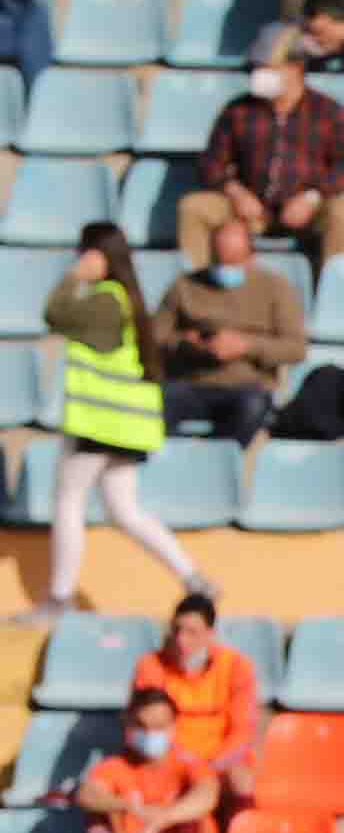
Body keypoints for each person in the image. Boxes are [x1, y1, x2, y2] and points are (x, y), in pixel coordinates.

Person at [37, 225, 210, 617]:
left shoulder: (105, 302)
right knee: (125, 511)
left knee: (68, 503)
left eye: (84, 254)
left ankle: (59, 598)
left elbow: (54, 314)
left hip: (98, 422)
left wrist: (72, 279)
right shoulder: (128, 301)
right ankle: (192, 576)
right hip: (125, 426)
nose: (79, 261)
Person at [178, 41, 344, 269]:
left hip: (308, 208)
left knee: (343, 213)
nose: (259, 75)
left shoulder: (328, 111)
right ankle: (197, 291)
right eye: (256, 68)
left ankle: (337, 293)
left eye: (267, 67)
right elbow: (210, 163)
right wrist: (235, 192)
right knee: (194, 208)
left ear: (295, 68)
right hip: (249, 209)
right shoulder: (239, 110)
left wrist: (311, 197)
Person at [155, 216, 304, 445]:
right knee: (154, 404)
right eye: (219, 259)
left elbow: (295, 349)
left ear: (251, 256)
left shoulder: (276, 288)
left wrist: (247, 346)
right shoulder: (184, 286)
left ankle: (221, 466)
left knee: (252, 408)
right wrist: (187, 342)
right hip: (192, 383)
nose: (225, 267)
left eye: (233, 261)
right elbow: (156, 338)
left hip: (247, 387)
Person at [79, 684, 217, 833]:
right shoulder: (115, 766)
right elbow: (87, 794)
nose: (150, 734)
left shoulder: (188, 764)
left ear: (173, 726)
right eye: (141, 727)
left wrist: (157, 822)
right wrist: (126, 806)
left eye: (159, 727)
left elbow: (207, 795)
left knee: (189, 820)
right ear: (128, 726)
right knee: (96, 815)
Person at [130, 591, 261, 792]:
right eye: (177, 630)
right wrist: (190, 766)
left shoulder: (236, 666)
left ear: (210, 634)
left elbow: (243, 730)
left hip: (221, 763)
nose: (181, 640)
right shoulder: (151, 666)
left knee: (243, 784)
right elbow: (145, 723)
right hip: (171, 760)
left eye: (192, 632)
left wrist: (212, 767)